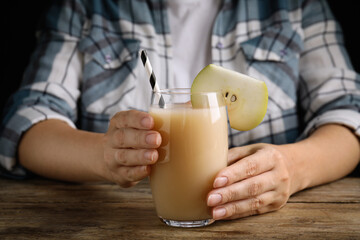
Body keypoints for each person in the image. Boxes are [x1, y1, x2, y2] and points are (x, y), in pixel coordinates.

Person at [1, 0, 359, 221]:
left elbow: (348, 110)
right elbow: (26, 121)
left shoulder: (298, 4)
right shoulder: (83, 6)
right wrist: (103, 154)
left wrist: (292, 167)